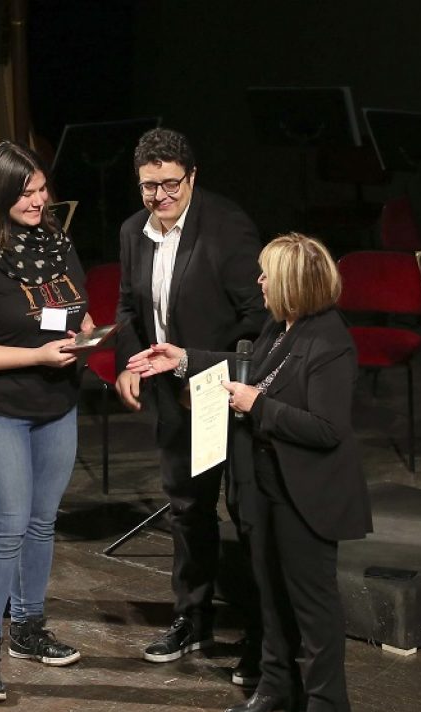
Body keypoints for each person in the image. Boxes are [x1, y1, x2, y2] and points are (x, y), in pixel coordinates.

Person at [127, 233, 372, 712]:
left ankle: (325, 707)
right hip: (263, 485)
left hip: (306, 493)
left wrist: (258, 405)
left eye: (267, 274)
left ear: (292, 283)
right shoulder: (279, 329)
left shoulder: (329, 341)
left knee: (311, 602)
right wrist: (184, 359)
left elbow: (327, 428)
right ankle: (276, 683)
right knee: (268, 590)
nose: (258, 282)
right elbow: (246, 370)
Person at [0, 141, 92, 702]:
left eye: (41, 189)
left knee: (41, 522)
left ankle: (28, 629)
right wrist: (35, 356)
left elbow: (78, 307)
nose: (38, 200)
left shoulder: (56, 242)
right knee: (5, 527)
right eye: (25, 192)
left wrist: (88, 338)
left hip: (55, 404)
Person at [113, 127, 267, 674]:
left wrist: (198, 362)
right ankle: (192, 617)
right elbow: (128, 312)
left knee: (246, 513)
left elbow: (258, 318)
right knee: (187, 510)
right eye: (149, 187)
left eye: (171, 185)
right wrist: (129, 365)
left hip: (224, 390)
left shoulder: (226, 228)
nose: (160, 197)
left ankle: (260, 634)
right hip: (172, 396)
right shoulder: (134, 231)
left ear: (192, 177)